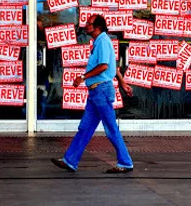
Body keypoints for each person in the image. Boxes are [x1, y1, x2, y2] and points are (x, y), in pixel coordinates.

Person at [51, 14, 134, 173]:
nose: (86, 26)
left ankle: (125, 162)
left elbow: (103, 66)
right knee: (85, 127)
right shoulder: (100, 42)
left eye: (89, 24)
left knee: (110, 127)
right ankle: (70, 160)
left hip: (101, 91)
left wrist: (82, 77)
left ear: (98, 27)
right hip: (96, 92)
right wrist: (122, 82)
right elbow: (113, 67)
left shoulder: (103, 41)